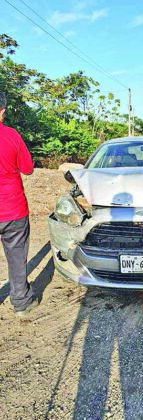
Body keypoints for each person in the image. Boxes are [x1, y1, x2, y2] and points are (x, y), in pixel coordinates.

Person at [0, 93, 38, 317]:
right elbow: (28, 168)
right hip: (13, 209)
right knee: (16, 256)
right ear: (2, 110)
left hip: (12, 209)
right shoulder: (12, 136)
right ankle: (22, 303)